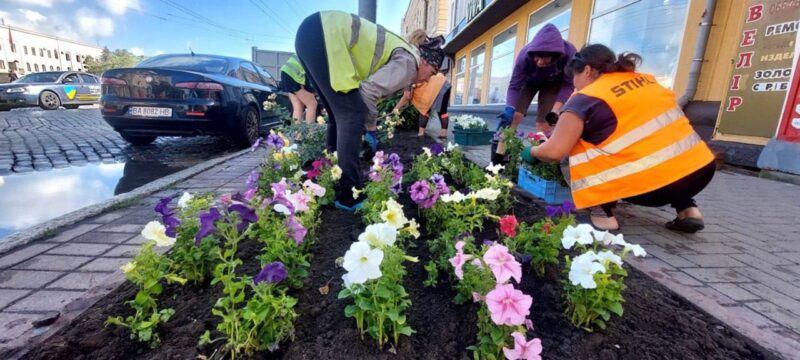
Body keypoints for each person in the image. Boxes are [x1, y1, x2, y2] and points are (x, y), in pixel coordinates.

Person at [520, 44, 716, 233]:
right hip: (701, 172)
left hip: (650, 188)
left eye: (574, 76)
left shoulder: (586, 99)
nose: (574, 83)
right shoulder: (648, 82)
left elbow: (555, 151)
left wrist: (532, 151)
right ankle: (688, 209)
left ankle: (603, 215)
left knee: (574, 148)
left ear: (587, 70)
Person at [295, 11, 443, 211]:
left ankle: (328, 175)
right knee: (351, 115)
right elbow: (367, 91)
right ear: (424, 62)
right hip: (326, 33)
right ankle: (349, 194)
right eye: (431, 73)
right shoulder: (409, 63)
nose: (427, 80)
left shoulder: (404, 54)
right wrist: (371, 128)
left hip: (312, 32)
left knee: (338, 116)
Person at [492, 23, 576, 164]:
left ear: (555, 55)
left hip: (553, 84)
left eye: (545, 58)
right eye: (537, 58)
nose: (539, 62)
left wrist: (555, 110)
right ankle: (499, 159)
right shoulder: (525, 56)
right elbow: (514, 86)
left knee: (543, 124)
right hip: (529, 82)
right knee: (514, 117)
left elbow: (568, 84)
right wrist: (510, 108)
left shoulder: (569, 53)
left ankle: (541, 161)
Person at [393, 29, 451, 139]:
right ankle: (423, 134)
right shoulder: (417, 58)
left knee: (439, 111)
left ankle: (440, 135)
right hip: (442, 84)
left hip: (440, 86)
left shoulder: (412, 61)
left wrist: (396, 109)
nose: (427, 79)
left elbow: (407, 95)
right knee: (431, 110)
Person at [279, 55, 318, 123]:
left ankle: (297, 132)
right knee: (312, 104)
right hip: (295, 76)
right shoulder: (319, 54)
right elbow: (310, 75)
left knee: (298, 106)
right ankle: (311, 132)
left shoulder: (308, 47)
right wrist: (311, 90)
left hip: (286, 73)